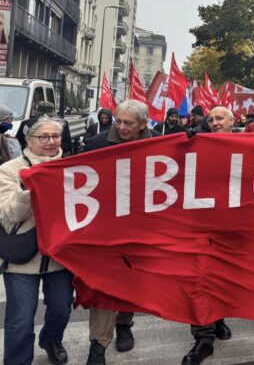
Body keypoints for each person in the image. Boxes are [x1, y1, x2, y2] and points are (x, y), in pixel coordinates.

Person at [83, 100, 161, 364]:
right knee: (104, 285)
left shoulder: (162, 143)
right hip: (105, 226)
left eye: (128, 123)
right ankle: (98, 344)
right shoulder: (97, 143)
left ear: (143, 123)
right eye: (118, 121)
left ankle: (124, 324)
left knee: (131, 280)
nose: (121, 126)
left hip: (142, 227)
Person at [0, 117, 73, 365]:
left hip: (60, 258)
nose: (51, 142)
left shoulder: (73, 167)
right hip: (23, 258)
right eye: (44, 137)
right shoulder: (9, 170)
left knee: (62, 309)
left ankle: (51, 340)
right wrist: (32, 186)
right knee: (20, 318)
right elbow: (9, 215)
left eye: (56, 136)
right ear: (28, 140)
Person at [181, 105, 234, 364]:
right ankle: (203, 338)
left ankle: (219, 319)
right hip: (201, 227)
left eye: (219, 118)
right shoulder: (195, 144)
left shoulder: (251, 145)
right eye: (211, 118)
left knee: (224, 280)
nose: (214, 122)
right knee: (200, 280)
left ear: (232, 121)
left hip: (234, 228)